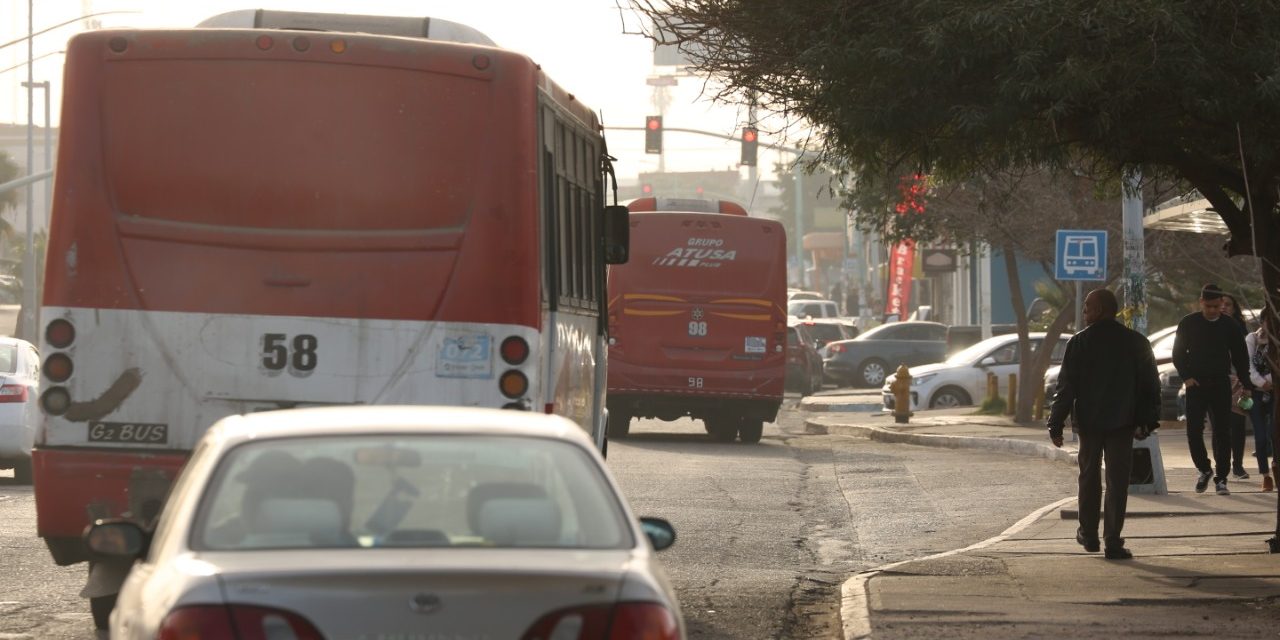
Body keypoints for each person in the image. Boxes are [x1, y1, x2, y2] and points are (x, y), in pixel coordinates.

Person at [1047, 288, 1160, 560]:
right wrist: (1147, 421)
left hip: (1089, 423)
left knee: (1088, 477)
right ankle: (1112, 541)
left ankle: (1088, 533)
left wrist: (1056, 422)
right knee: (1117, 482)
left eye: (1087, 307)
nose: (1084, 312)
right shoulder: (1136, 342)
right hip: (1123, 423)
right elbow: (1150, 386)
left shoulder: (1079, 343)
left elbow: (1066, 387)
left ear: (1098, 310)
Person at [1172, 284, 1255, 496]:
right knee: (1193, 431)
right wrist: (1186, 377)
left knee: (1222, 432)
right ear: (1201, 302)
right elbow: (1178, 352)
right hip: (1196, 385)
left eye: (1216, 306)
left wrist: (1245, 383)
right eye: (1208, 306)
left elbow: (1240, 356)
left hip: (1220, 383)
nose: (1212, 310)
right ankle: (1204, 469)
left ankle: (1222, 477)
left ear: (1221, 305)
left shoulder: (1229, 325)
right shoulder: (1189, 323)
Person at [1221, 294, 1252, 480]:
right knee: (1220, 428)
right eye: (1221, 304)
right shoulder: (1211, 327)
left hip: (1238, 382)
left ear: (1234, 308)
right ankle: (1220, 467)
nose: (1224, 307)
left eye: (1228, 305)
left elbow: (1244, 359)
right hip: (1217, 381)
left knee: (1238, 426)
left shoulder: (1240, 329)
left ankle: (1238, 465)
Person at [1246, 315, 1275, 491]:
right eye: (1268, 321)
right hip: (1255, 394)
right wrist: (1261, 382)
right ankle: (1265, 475)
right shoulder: (1252, 338)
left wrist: (1270, 381)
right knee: (1261, 436)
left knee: (1275, 433)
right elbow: (1247, 365)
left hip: (1274, 392)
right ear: (1262, 321)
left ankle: (1276, 467)